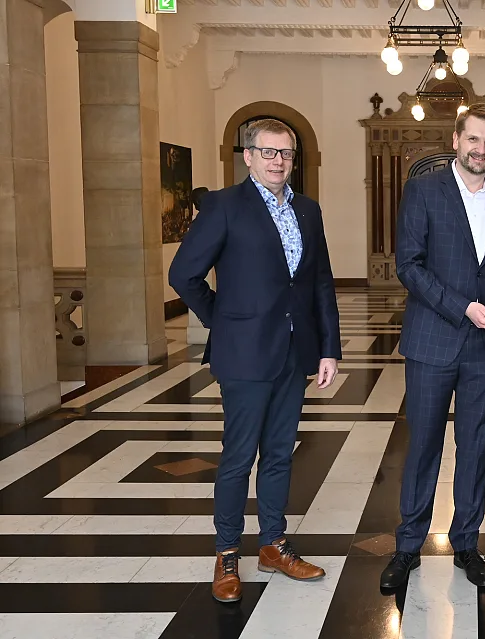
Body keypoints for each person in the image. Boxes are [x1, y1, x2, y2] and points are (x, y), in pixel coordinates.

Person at [169, 118, 342, 603]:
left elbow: (320, 283)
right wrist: (222, 321)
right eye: (268, 152)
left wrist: (329, 347)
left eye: (286, 153)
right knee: (238, 456)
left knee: (281, 454)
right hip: (244, 353)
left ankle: (273, 543)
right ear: (247, 156)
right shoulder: (224, 206)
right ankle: (227, 553)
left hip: (294, 352)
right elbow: (183, 274)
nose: (278, 161)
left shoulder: (308, 210)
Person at [380, 103, 485, 590]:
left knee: (476, 447)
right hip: (433, 340)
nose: (481, 149)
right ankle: (407, 547)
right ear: (457, 140)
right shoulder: (423, 190)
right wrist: (462, 306)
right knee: (422, 446)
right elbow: (410, 265)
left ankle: (467, 542)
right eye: (474, 139)